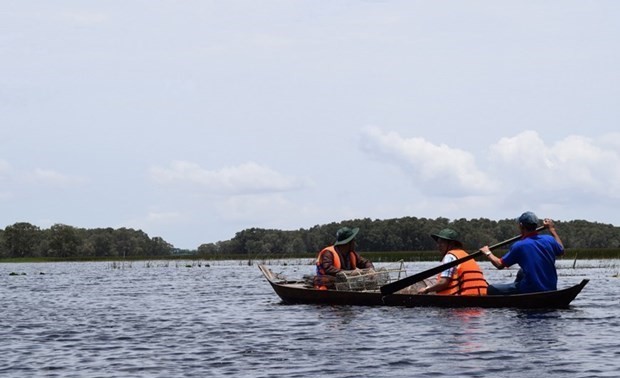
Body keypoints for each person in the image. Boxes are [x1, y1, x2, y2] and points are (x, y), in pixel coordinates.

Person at [481, 211, 564, 295]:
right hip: (551, 288)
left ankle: (516, 293)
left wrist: (487, 252)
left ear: (521, 225)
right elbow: (561, 250)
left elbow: (499, 264)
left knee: (490, 289)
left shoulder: (519, 246)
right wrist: (552, 230)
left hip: (529, 289)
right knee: (521, 272)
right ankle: (515, 289)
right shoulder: (549, 239)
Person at [417, 228, 488, 296]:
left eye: (441, 243)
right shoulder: (465, 255)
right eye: (438, 243)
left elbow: (443, 282)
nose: (438, 246)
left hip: (463, 300)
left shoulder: (450, 256)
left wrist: (427, 290)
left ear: (451, 244)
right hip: (480, 296)